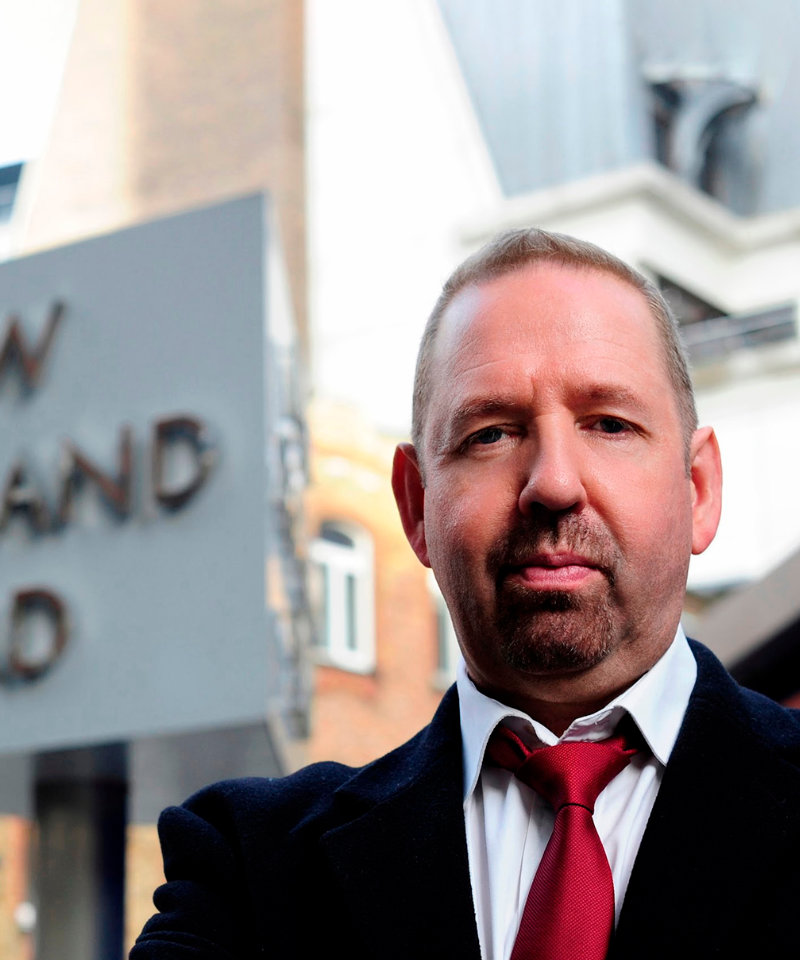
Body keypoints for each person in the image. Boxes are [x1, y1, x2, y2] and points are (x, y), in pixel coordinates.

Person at [131, 229, 800, 960]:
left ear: (698, 490)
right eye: (491, 434)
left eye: (609, 424)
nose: (552, 483)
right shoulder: (248, 871)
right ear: (416, 505)